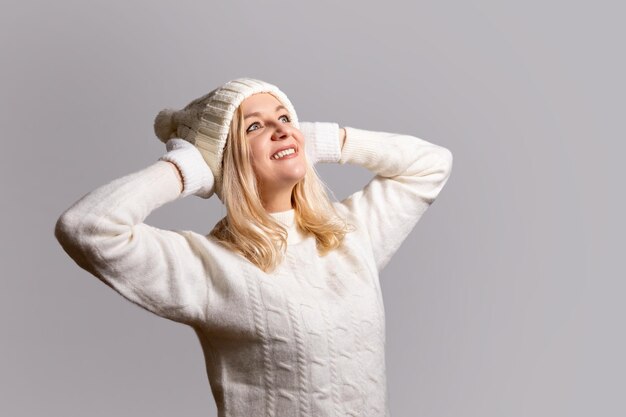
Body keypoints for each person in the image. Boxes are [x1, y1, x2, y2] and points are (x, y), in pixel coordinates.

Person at [54, 77, 453, 417]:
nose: (281, 129)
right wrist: (188, 168)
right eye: (253, 127)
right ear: (223, 160)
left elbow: (432, 163)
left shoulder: (347, 234)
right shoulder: (210, 267)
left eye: (284, 118)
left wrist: (325, 140)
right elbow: (87, 226)